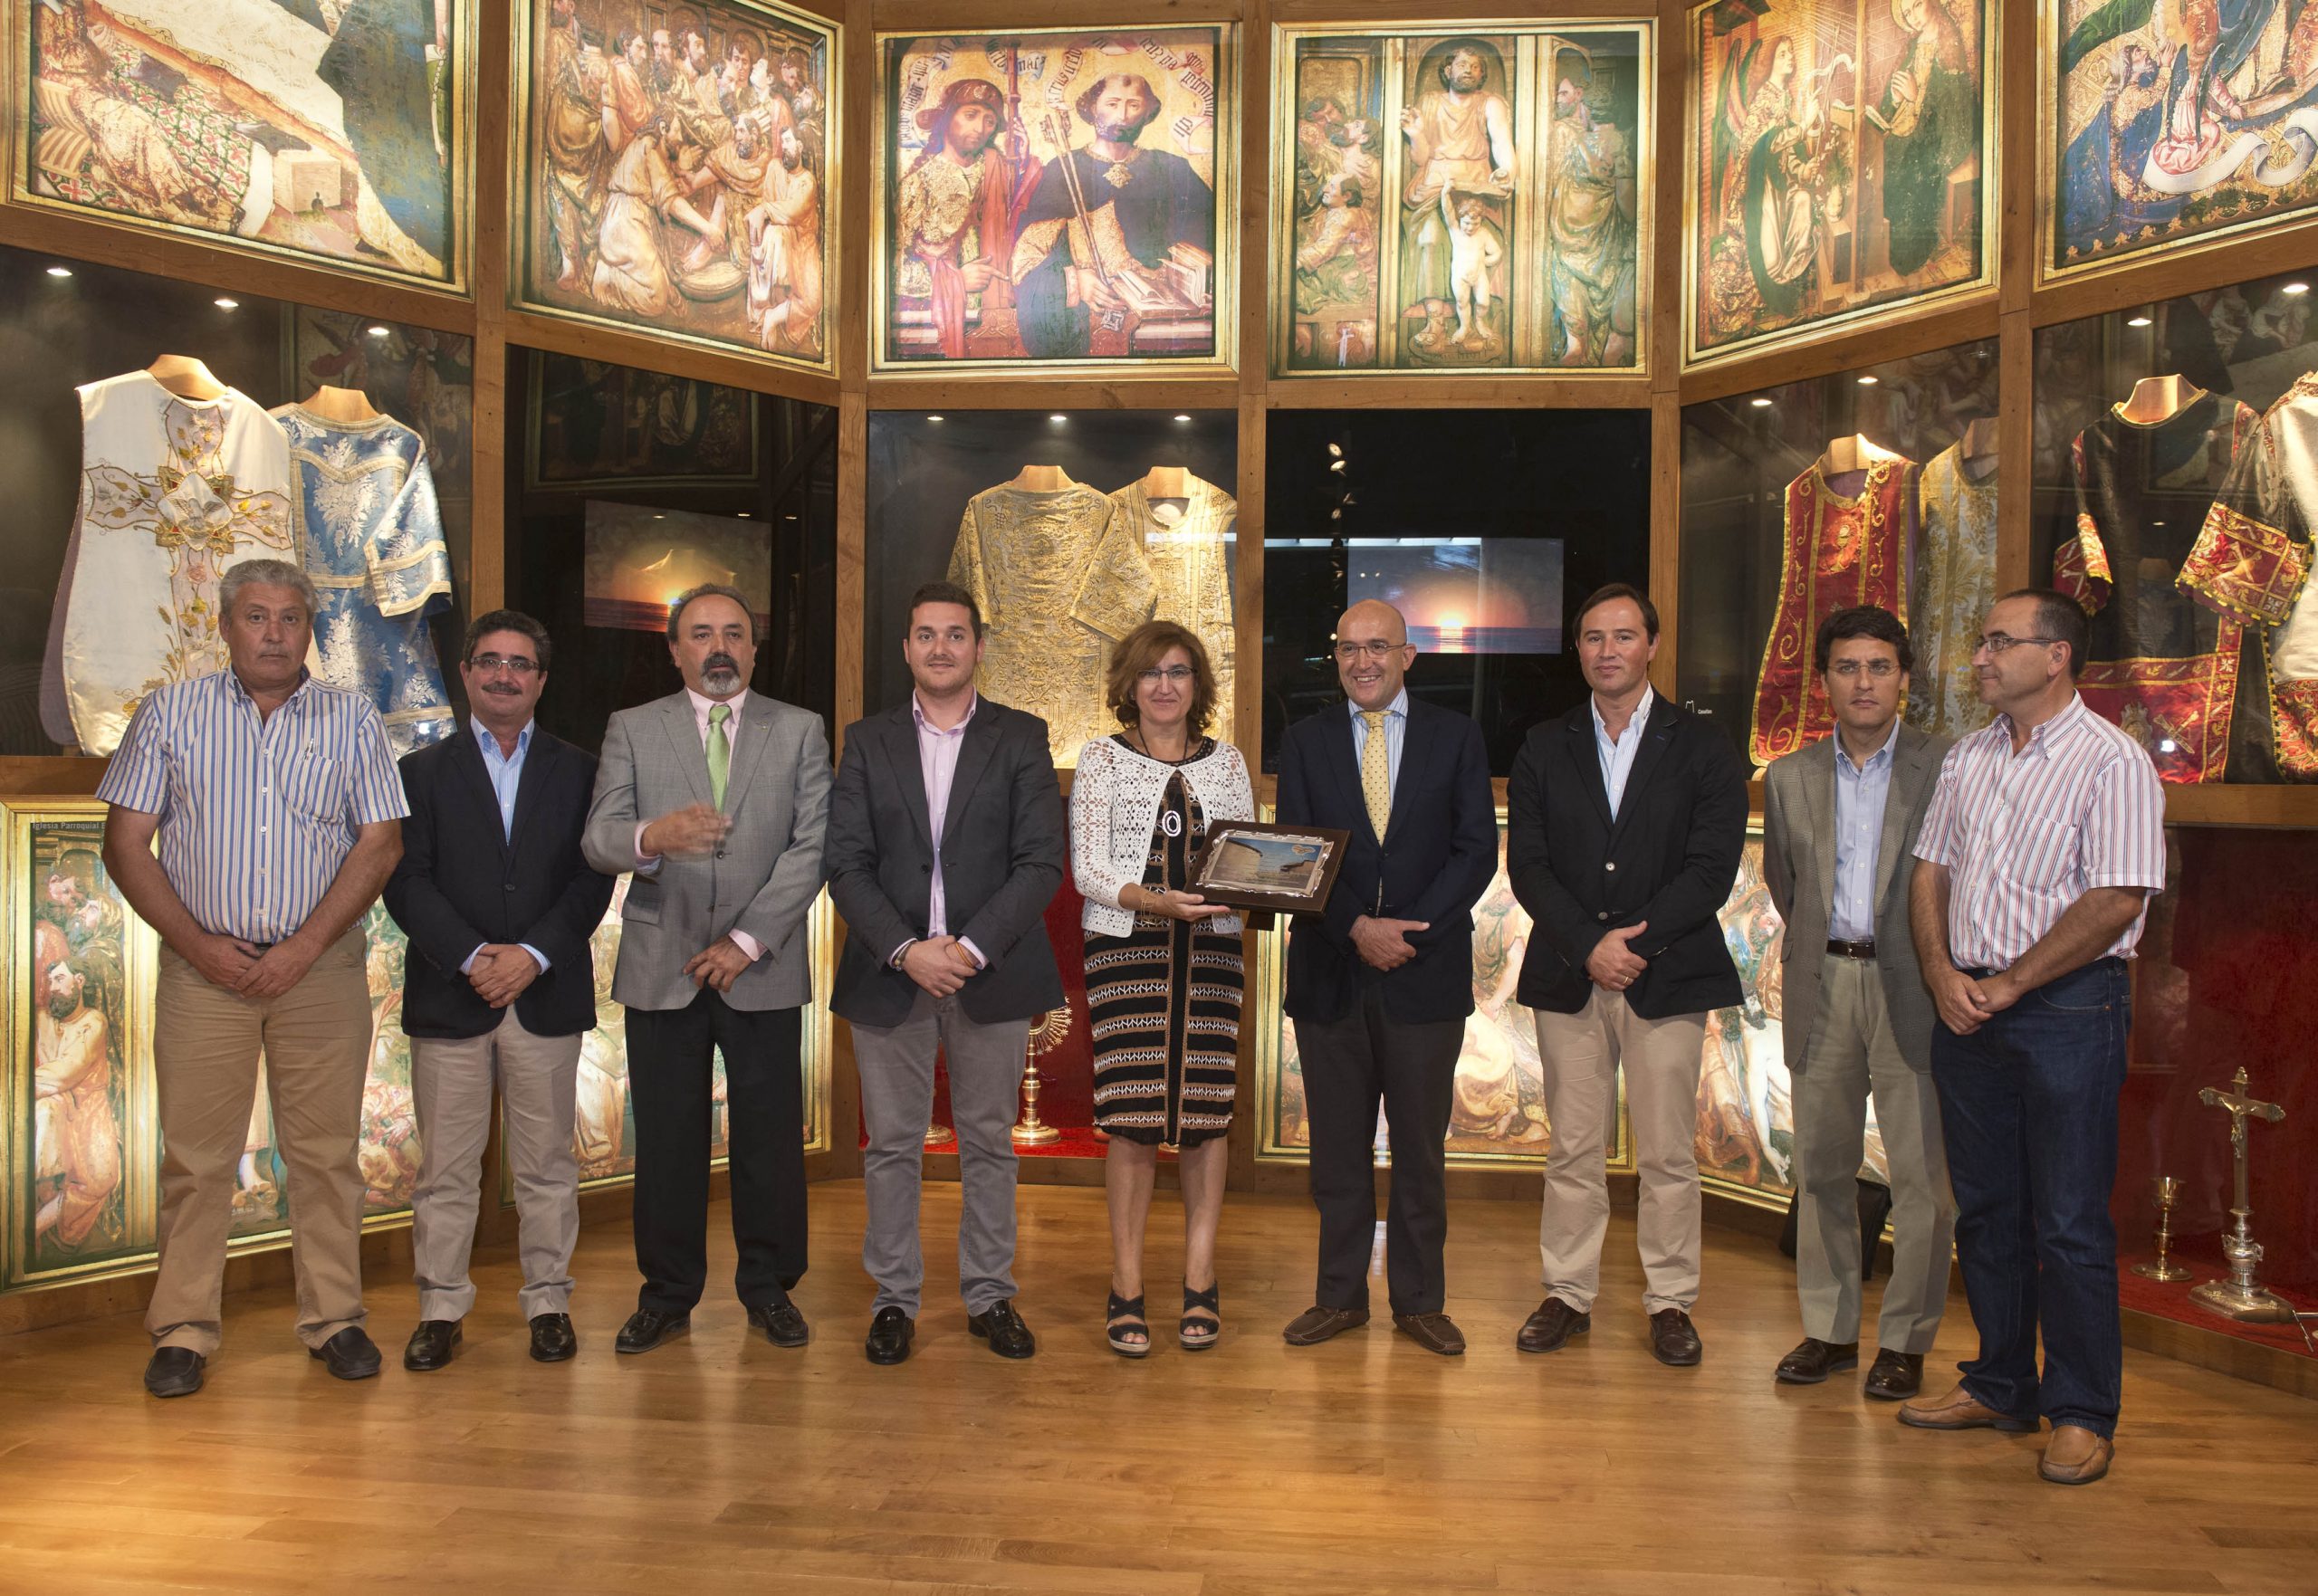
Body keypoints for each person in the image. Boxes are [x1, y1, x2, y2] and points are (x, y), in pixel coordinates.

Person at [98, 558, 407, 1399]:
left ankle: (335, 1319)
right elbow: (125, 843)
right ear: (226, 626)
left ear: (310, 630)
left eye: (290, 618)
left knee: (327, 1156)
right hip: (206, 975)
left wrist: (304, 945)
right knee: (197, 1161)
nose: (274, 634)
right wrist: (198, 945)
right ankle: (183, 1330)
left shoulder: (352, 718)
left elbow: (381, 842)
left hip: (320, 970)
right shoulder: (170, 712)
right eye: (257, 617)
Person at [1903, 588, 2165, 1486]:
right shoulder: (1969, 755)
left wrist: (2010, 982)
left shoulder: (2112, 760)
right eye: (1980, 641)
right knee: (1987, 1210)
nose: (1979, 657)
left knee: (2069, 1219)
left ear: (2055, 656)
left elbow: (2117, 896)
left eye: (1998, 642)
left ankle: (2082, 1410)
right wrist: (1941, 973)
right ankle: (1999, 1382)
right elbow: (1930, 870)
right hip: (1965, 1006)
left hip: (2067, 1010)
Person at [583, 584, 831, 1355]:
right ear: (674, 649)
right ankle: (666, 1295)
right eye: (700, 634)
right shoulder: (632, 727)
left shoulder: (800, 729)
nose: (718, 647)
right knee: (665, 1141)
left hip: (760, 967)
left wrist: (747, 940)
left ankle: (769, 1289)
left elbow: (813, 846)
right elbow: (598, 838)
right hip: (662, 961)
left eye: (732, 633)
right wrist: (652, 836)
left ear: (753, 649)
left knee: (770, 1142)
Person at [826, 581, 1065, 1366]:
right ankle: (894, 1299)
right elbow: (845, 864)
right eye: (925, 634)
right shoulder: (866, 741)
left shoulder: (1021, 737)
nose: (940, 647)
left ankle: (990, 1295)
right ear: (906, 648)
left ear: (979, 646)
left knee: (989, 1142)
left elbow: (1041, 862)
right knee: (892, 1144)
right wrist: (907, 949)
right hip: (890, 972)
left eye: (955, 634)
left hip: (989, 972)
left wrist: (967, 948)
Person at [1506, 584, 1746, 1367]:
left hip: (1667, 974)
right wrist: (1589, 944)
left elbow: (1712, 867)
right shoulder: (1545, 744)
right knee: (1573, 1148)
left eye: (1623, 636)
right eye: (1593, 637)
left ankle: (1670, 1301)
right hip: (1569, 975)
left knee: (1669, 1152)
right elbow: (1529, 863)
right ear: (1578, 649)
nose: (1607, 650)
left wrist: (1633, 943)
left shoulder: (1702, 744)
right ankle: (1567, 1294)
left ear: (1652, 645)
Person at [382, 611, 617, 1371]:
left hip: (544, 996)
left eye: (520, 664)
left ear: (541, 680)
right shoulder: (418, 772)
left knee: (546, 1166)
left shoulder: (583, 771)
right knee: (446, 1170)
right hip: (451, 996)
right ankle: (440, 1309)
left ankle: (548, 1303)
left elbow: (592, 878)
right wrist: (474, 956)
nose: (504, 675)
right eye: (489, 661)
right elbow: (405, 880)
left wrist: (534, 955)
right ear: (466, 673)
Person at [1274, 600, 1496, 1356]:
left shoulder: (1455, 736)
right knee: (1336, 1151)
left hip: (1424, 972)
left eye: (1377, 647)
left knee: (1420, 1151)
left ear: (1408, 655)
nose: (1361, 661)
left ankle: (1419, 1302)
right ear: (1335, 658)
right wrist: (1356, 928)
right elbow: (1298, 852)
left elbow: (1476, 850)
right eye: (1347, 649)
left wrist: (1407, 930)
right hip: (1330, 970)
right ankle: (1339, 1297)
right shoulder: (1305, 741)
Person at [1761, 606, 1955, 1400]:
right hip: (1824, 983)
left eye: (1879, 666)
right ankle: (1830, 1329)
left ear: (1904, 677)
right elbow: (1787, 885)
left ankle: (1906, 1340)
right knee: (1822, 1169)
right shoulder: (1790, 776)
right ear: (1825, 682)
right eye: (1847, 667)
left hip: (1917, 982)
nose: (1863, 682)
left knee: (1923, 1180)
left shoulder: (1948, 765)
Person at [1069, 621, 1254, 1356]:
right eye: (1151, 672)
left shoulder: (1228, 761)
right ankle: (1126, 1285)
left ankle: (1201, 1277)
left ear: (1197, 684)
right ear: (1130, 684)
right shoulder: (1101, 758)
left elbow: (1249, 858)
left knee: (1206, 1113)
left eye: (1179, 671)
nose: (1165, 685)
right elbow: (1088, 868)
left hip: (1213, 953)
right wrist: (1155, 901)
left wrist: (1260, 890)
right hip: (1127, 951)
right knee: (1133, 1115)